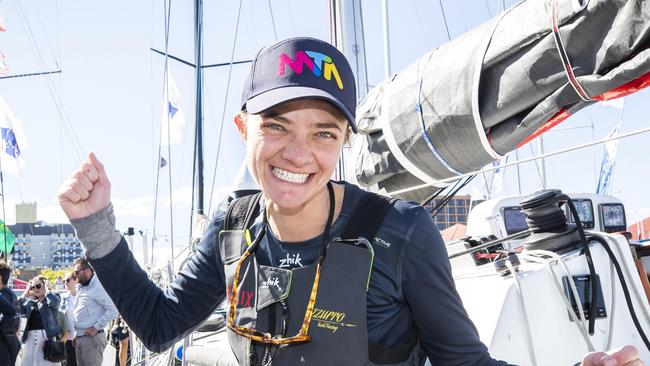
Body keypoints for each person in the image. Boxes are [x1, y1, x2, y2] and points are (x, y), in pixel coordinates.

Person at [57, 37, 643, 366]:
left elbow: (465, 365)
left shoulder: (403, 235)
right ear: (243, 129)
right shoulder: (232, 229)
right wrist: (97, 228)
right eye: (278, 126)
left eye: (324, 133)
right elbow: (159, 327)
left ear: (343, 143)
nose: (299, 152)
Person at [72, 257, 118, 366]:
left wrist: (96, 327)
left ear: (87, 270)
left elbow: (114, 310)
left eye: (77, 272)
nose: (75, 275)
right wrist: (77, 334)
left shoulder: (98, 287)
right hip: (82, 338)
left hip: (92, 339)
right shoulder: (82, 287)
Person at [18, 275, 62, 366]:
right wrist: (25, 293)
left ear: (44, 285)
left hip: (46, 339)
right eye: (33, 287)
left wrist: (47, 290)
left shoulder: (52, 298)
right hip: (29, 340)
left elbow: (55, 302)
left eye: (38, 286)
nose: (35, 289)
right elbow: (17, 308)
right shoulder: (30, 303)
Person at [0, 261, 20, 365]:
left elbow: (9, 315)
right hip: (11, 341)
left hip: (4, 344)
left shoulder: (3, 295)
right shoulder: (12, 294)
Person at [62, 272, 78, 366]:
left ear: (76, 280)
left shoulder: (84, 296)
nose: (65, 283)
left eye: (68, 280)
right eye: (64, 281)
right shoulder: (63, 298)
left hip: (83, 338)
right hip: (69, 340)